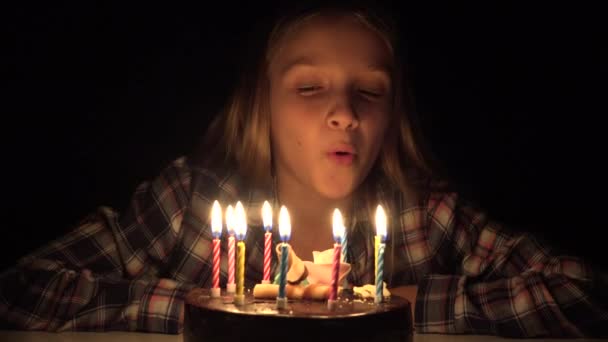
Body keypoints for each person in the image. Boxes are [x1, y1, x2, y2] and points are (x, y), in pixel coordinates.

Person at [1, 1, 606, 338]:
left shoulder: (424, 216)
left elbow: (584, 292)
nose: (344, 113)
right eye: (309, 88)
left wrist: (389, 306)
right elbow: (25, 290)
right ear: (259, 104)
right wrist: (204, 309)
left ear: (394, 115)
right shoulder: (189, 201)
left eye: (369, 92)